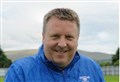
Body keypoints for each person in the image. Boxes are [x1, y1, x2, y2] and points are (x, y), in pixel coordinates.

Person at [5, 8, 105, 82]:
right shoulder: (20, 72)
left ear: (77, 39)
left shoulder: (92, 68)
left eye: (69, 37)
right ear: (43, 37)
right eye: (55, 36)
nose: (62, 44)